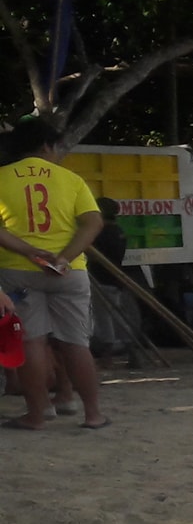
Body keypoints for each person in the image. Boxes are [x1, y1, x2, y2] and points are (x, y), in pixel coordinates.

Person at [0, 119, 109, 429]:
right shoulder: (71, 179)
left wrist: (29, 252)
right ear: (47, 145)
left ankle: (37, 414)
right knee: (76, 343)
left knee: (30, 342)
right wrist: (64, 258)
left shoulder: (0, 178)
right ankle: (93, 414)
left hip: (17, 272)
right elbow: (93, 223)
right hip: (69, 273)